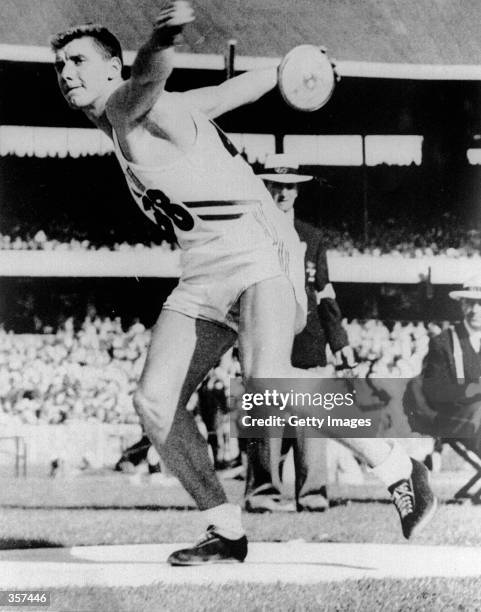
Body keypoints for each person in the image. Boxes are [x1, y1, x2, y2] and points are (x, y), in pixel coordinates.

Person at [51, 1, 436, 565]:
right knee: (155, 403)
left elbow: (148, 76)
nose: (66, 75)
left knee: (269, 390)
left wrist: (164, 38)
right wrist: (288, 72)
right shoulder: (161, 113)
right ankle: (223, 528)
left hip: (257, 249)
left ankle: (399, 468)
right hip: (204, 268)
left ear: (113, 68)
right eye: (59, 66)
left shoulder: (125, 104)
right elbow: (226, 95)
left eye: (78, 61)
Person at [244, 155, 356, 512]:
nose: (282, 193)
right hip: (265, 337)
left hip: (308, 343)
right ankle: (263, 494)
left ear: (297, 191)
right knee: (266, 420)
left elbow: (325, 294)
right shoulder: (251, 232)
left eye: (289, 186)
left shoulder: (312, 237)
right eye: (275, 186)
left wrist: (341, 345)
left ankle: (313, 494)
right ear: (266, 188)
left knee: (313, 424)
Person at [421, 274, 481, 448]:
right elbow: (432, 390)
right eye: (469, 302)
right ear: (461, 304)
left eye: (480, 303)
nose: (475, 310)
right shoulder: (444, 341)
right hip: (456, 419)